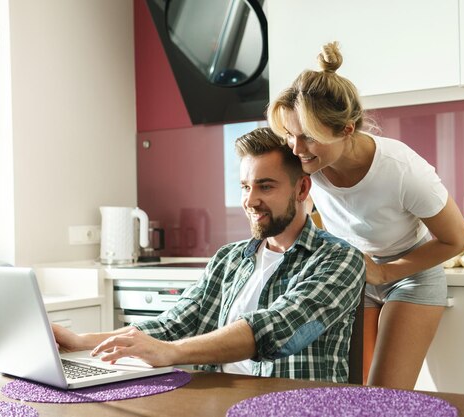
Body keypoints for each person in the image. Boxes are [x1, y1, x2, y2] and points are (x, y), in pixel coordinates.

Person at [54, 127, 366, 382]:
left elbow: (278, 329)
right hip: (218, 403)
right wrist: (81, 342)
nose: (251, 200)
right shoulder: (228, 259)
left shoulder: (338, 259)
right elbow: (172, 325)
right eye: (245, 187)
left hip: (293, 406)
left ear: (301, 190)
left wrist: (171, 352)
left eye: (266, 187)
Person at [267, 42, 464, 389]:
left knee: (384, 393)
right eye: (290, 136)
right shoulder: (307, 163)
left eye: (309, 138)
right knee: (351, 387)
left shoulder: (403, 170)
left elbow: (458, 240)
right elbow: (305, 214)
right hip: (354, 271)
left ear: (346, 130)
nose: (296, 149)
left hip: (411, 273)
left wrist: (385, 271)